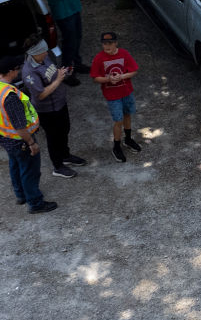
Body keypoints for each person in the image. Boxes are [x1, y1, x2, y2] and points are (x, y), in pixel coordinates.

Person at [18, 37, 86, 178]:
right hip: (47, 110)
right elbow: (40, 95)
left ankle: (65, 156)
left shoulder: (44, 58)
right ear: (33, 54)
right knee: (53, 137)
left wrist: (64, 73)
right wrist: (59, 79)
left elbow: (53, 72)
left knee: (65, 129)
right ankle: (58, 166)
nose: (46, 53)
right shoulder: (29, 72)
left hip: (60, 103)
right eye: (42, 51)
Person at [1, 56, 56, 214]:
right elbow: (20, 126)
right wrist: (31, 142)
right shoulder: (9, 96)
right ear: (11, 71)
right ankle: (35, 202)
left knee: (15, 165)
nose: (18, 72)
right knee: (29, 171)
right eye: (17, 69)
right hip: (20, 140)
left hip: (6, 138)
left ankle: (21, 195)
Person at [90, 32, 141, 162]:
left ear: (116, 43)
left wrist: (121, 76)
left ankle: (128, 139)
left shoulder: (124, 54)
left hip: (126, 92)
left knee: (128, 115)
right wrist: (108, 79)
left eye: (110, 43)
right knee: (118, 120)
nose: (107, 46)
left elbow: (134, 70)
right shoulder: (99, 58)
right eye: (104, 43)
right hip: (112, 95)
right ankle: (116, 146)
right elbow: (95, 78)